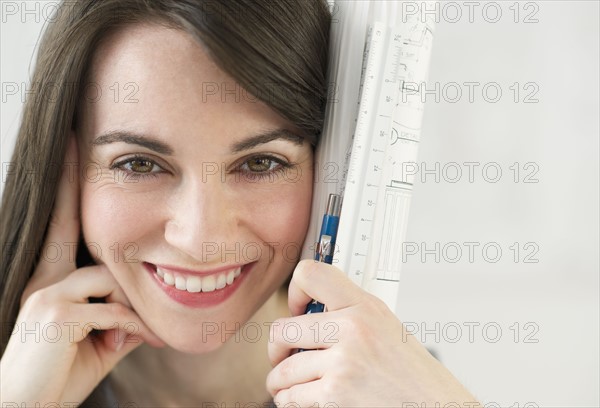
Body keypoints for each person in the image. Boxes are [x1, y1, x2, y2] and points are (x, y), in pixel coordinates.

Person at [0, 1, 480, 406]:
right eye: (140, 165)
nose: (201, 238)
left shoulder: (391, 389)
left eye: (261, 164)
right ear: (66, 169)